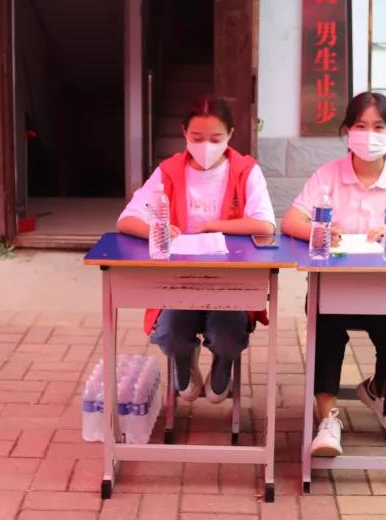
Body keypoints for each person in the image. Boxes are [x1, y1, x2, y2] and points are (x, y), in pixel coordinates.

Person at [281, 91, 386, 457]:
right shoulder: (329, 175)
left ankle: (377, 390)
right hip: (333, 287)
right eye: (360, 125)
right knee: (325, 337)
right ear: (347, 130)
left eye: (378, 127)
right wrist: (319, 232)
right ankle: (327, 420)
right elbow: (291, 221)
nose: (369, 134)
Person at [117, 96, 276, 403]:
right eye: (197, 138)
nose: (206, 146)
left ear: (230, 135)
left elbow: (265, 224)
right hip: (178, 279)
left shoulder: (245, 170)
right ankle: (183, 361)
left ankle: (223, 363)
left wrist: (212, 226)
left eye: (215, 139)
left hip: (231, 282)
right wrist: (157, 229)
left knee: (229, 332)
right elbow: (127, 219)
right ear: (184, 134)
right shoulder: (169, 171)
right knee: (171, 331)